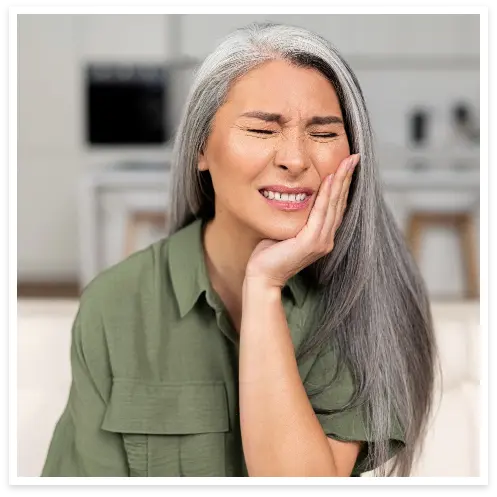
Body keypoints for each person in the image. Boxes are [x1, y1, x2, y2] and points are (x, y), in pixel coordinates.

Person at [41, 22, 436, 478]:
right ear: (200, 148)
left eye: (324, 134)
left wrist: (264, 285)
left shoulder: (368, 300)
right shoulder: (116, 303)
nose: (295, 159)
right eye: (262, 130)